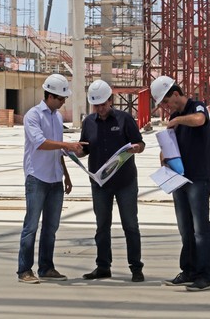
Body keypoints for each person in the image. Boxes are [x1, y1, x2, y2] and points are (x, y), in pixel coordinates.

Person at [150, 75, 210, 292]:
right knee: (185, 228)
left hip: (199, 177)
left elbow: (200, 120)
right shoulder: (175, 115)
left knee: (200, 228)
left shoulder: (196, 107)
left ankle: (205, 275)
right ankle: (189, 270)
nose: (166, 107)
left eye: (167, 102)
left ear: (176, 94)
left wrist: (177, 120)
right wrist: (163, 157)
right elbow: (170, 144)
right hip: (179, 179)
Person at [17, 73, 85, 284]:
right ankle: (24, 270)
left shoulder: (56, 117)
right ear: (48, 95)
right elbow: (41, 143)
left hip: (55, 178)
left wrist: (66, 174)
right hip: (37, 177)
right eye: (60, 98)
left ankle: (46, 267)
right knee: (31, 226)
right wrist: (66, 145)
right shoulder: (33, 116)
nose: (63, 102)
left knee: (51, 227)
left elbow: (57, 149)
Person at [77, 79, 146, 282]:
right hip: (100, 183)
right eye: (95, 105)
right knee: (102, 226)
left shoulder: (125, 119)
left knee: (130, 225)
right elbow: (85, 148)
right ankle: (103, 266)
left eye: (102, 105)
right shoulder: (88, 122)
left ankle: (136, 267)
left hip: (125, 182)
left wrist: (136, 149)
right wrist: (74, 151)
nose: (99, 109)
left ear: (110, 100)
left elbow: (140, 143)